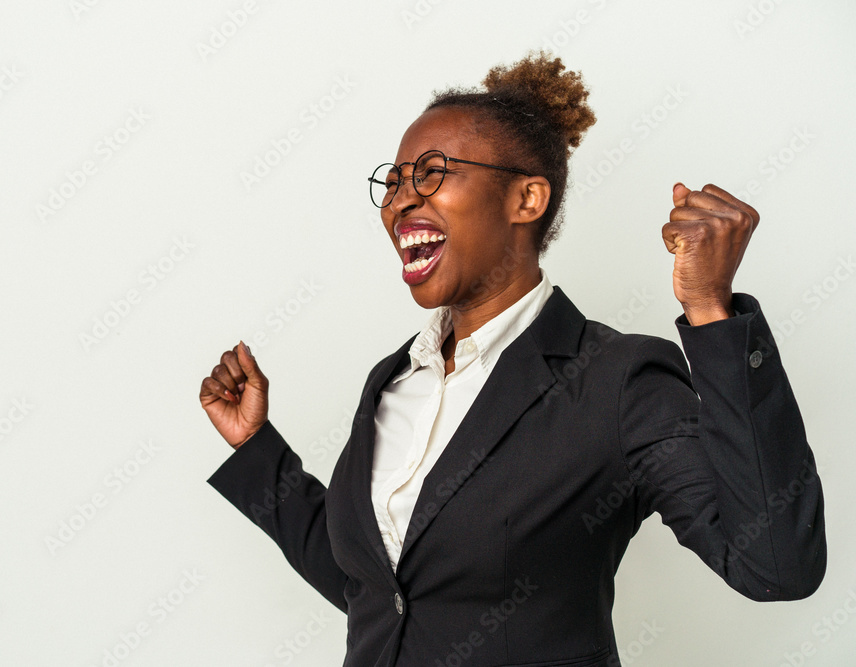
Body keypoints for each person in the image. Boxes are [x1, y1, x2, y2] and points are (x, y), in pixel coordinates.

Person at [200, 51, 827, 667]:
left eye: (432, 173)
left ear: (527, 199)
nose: (399, 201)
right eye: (393, 182)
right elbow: (380, 594)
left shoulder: (616, 379)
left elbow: (774, 564)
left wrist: (712, 313)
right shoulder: (393, 379)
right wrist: (256, 450)